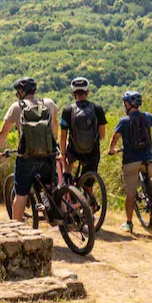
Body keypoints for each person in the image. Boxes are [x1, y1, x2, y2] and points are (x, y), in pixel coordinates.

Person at [0, 77, 61, 223]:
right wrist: (53, 145)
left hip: (26, 158)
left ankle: (15, 229)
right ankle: (65, 219)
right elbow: (54, 126)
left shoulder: (17, 107)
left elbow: (3, 132)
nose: (16, 95)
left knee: (21, 195)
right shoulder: (48, 103)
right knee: (53, 189)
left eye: (17, 92)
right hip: (48, 156)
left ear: (22, 92)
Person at [106, 89, 152, 233]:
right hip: (148, 159)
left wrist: (112, 150)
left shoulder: (124, 121)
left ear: (128, 105)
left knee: (131, 193)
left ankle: (129, 223)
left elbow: (115, 137)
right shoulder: (147, 116)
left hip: (131, 162)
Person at [60, 77, 109, 212]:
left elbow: (63, 137)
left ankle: (69, 196)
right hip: (92, 151)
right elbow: (102, 135)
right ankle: (91, 202)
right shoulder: (97, 108)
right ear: (87, 92)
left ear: (73, 93)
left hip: (74, 150)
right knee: (88, 181)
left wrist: (63, 154)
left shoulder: (68, 110)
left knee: (67, 170)